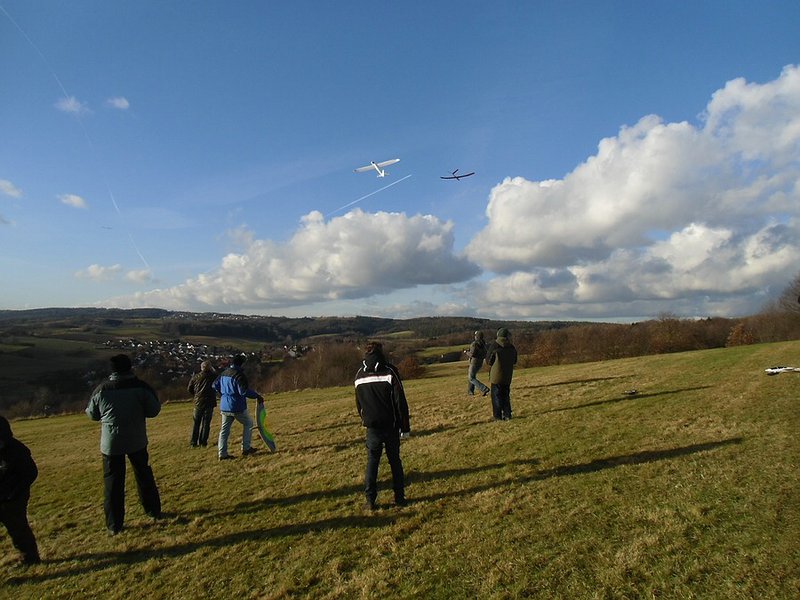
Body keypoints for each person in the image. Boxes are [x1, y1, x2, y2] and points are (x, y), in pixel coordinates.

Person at [86, 354, 162, 535]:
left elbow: (92, 415)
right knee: (144, 475)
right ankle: (152, 510)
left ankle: (114, 524)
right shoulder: (141, 387)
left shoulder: (102, 390)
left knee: (113, 482)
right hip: (137, 439)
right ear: (130, 367)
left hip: (111, 443)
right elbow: (154, 410)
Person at [354, 341, 411, 511]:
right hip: (391, 425)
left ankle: (370, 500)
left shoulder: (359, 375)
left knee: (372, 463)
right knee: (395, 461)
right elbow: (400, 401)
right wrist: (405, 426)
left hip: (371, 427)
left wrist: (364, 418)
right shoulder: (390, 371)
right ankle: (399, 498)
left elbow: (358, 403)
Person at [0, 416, 40, 565]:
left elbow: (30, 473)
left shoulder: (16, 451)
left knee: (18, 529)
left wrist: (14, 494)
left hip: (13, 498)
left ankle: (30, 557)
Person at [214, 354, 263, 460]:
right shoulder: (239, 375)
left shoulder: (223, 373)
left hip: (224, 405)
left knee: (224, 430)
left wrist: (223, 394)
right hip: (237, 405)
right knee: (248, 424)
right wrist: (256, 396)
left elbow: (214, 385)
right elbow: (243, 391)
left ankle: (222, 454)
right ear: (241, 363)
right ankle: (246, 448)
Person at [486, 328, 518, 421]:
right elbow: (515, 360)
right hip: (507, 375)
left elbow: (489, 361)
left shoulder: (494, 346)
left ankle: (497, 416)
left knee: (496, 396)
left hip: (496, 376)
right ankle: (507, 414)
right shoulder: (511, 347)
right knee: (506, 395)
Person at [188, 360, 217, 447]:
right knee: (206, 423)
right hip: (209, 402)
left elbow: (189, 388)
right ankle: (203, 442)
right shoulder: (213, 376)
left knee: (196, 423)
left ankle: (193, 442)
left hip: (198, 402)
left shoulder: (195, 377)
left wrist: (196, 395)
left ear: (201, 368)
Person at [466, 330, 490, 396]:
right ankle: (470, 392)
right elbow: (485, 353)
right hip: (480, 362)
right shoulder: (483, 344)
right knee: (472, 377)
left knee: (471, 378)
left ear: (476, 336)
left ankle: (484, 389)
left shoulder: (474, 344)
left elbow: (472, 354)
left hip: (474, 362)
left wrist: (466, 352)